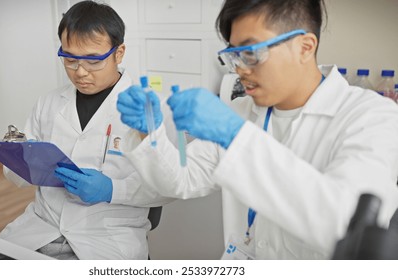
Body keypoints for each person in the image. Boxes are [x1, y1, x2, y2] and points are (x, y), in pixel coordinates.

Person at [116, 0, 398, 259]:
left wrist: (234, 134)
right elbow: (181, 179)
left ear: (305, 46)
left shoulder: (372, 116)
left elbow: (347, 227)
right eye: (233, 55)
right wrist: (147, 131)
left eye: (251, 53)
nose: (240, 69)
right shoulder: (243, 111)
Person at [0, 1, 171, 260]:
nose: (80, 72)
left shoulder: (150, 107)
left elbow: (171, 184)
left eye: (92, 60)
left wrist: (112, 189)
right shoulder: (49, 102)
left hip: (106, 240)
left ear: (119, 52)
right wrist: (16, 159)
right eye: (69, 59)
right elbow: (18, 178)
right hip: (40, 228)